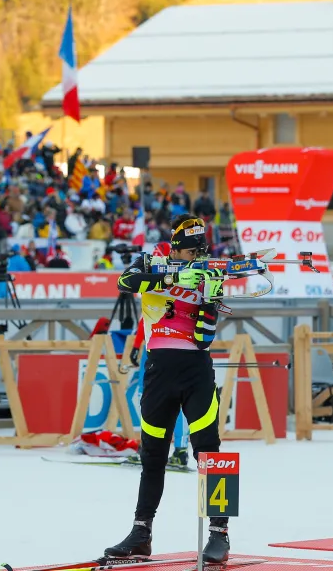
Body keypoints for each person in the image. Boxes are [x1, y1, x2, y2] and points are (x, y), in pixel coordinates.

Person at [106, 214, 229, 563]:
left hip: (195, 369)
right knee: (152, 455)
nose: (195, 257)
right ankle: (141, 533)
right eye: (189, 250)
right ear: (175, 247)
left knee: (210, 451)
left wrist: (208, 291)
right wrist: (174, 276)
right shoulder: (151, 262)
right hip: (159, 369)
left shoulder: (211, 273)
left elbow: (205, 336)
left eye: (198, 251)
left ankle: (220, 533)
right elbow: (126, 281)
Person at [127, 241, 190, 469]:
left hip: (169, 344)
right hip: (157, 343)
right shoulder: (160, 272)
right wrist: (136, 345)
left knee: (170, 398)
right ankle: (157, 448)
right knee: (149, 397)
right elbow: (147, 315)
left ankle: (177, 449)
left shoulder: (180, 273)